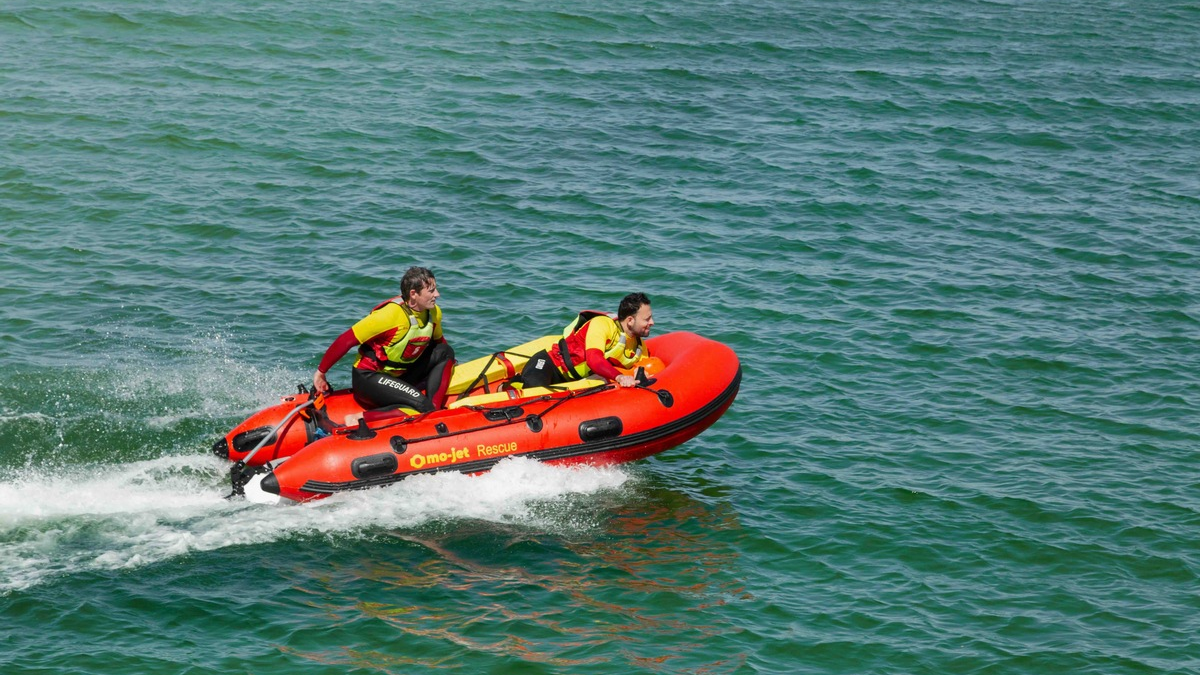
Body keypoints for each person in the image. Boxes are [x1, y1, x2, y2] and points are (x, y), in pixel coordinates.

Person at [313, 266, 455, 421]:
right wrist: (321, 373)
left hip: (400, 375)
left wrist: (452, 366)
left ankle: (434, 410)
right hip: (369, 379)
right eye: (431, 291)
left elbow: (439, 343)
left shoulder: (434, 312)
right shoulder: (389, 316)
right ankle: (358, 418)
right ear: (413, 294)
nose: (437, 294)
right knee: (421, 405)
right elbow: (346, 340)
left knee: (445, 351)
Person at [521, 292, 654, 389]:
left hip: (575, 382)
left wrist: (638, 374)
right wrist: (620, 377)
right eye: (647, 319)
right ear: (630, 320)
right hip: (550, 365)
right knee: (534, 393)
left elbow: (644, 368)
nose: (652, 322)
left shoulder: (639, 346)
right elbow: (593, 359)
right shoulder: (602, 324)